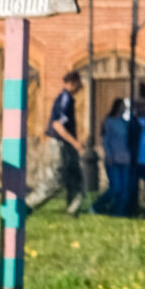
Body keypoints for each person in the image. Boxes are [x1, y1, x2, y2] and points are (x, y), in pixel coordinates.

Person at [47, 71, 84, 213]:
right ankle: (29, 204)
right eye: (79, 82)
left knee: (75, 176)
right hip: (60, 144)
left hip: (66, 144)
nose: (81, 86)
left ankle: (73, 208)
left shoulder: (68, 99)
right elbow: (57, 124)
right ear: (73, 82)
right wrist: (74, 143)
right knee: (57, 179)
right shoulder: (65, 99)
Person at [99, 98, 131, 217]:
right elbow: (106, 141)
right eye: (122, 106)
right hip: (113, 160)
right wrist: (109, 155)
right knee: (115, 188)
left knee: (124, 191)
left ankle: (118, 213)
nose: (124, 108)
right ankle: (97, 206)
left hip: (125, 159)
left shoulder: (125, 123)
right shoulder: (109, 122)